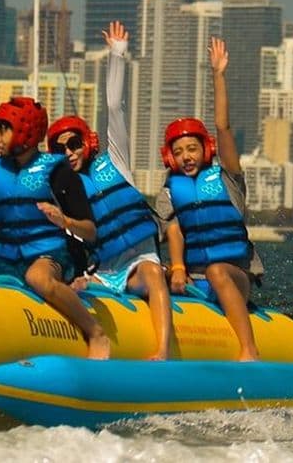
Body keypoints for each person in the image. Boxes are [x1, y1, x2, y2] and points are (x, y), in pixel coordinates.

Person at [0, 97, 110, 359]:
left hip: (51, 256)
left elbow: (91, 231)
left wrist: (65, 221)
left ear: (25, 131)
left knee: (37, 278)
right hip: (7, 260)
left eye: (3, 130)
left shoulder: (58, 173)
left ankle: (94, 332)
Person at [41, 21, 172, 360]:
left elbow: (115, 108)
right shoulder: (63, 187)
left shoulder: (117, 162)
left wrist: (117, 54)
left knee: (154, 274)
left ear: (88, 142)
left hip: (140, 262)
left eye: (74, 143)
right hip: (103, 272)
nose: (68, 151)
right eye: (59, 148)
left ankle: (161, 351)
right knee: (75, 289)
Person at [156, 37, 262, 361]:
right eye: (178, 152)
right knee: (147, 270)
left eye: (192, 149)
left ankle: (249, 350)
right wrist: (174, 268)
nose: (186, 156)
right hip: (191, 279)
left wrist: (218, 75)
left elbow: (223, 126)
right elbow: (173, 231)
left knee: (217, 269)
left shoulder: (227, 177)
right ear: (170, 158)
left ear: (206, 149)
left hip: (234, 275)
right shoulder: (170, 190)